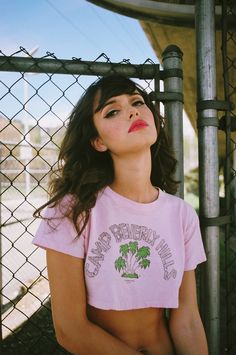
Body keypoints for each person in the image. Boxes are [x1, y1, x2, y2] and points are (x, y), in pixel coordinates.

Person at [32, 74, 208, 355]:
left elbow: (186, 320)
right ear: (98, 141)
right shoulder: (73, 211)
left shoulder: (182, 215)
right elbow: (71, 330)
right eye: (113, 111)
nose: (132, 110)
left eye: (137, 102)